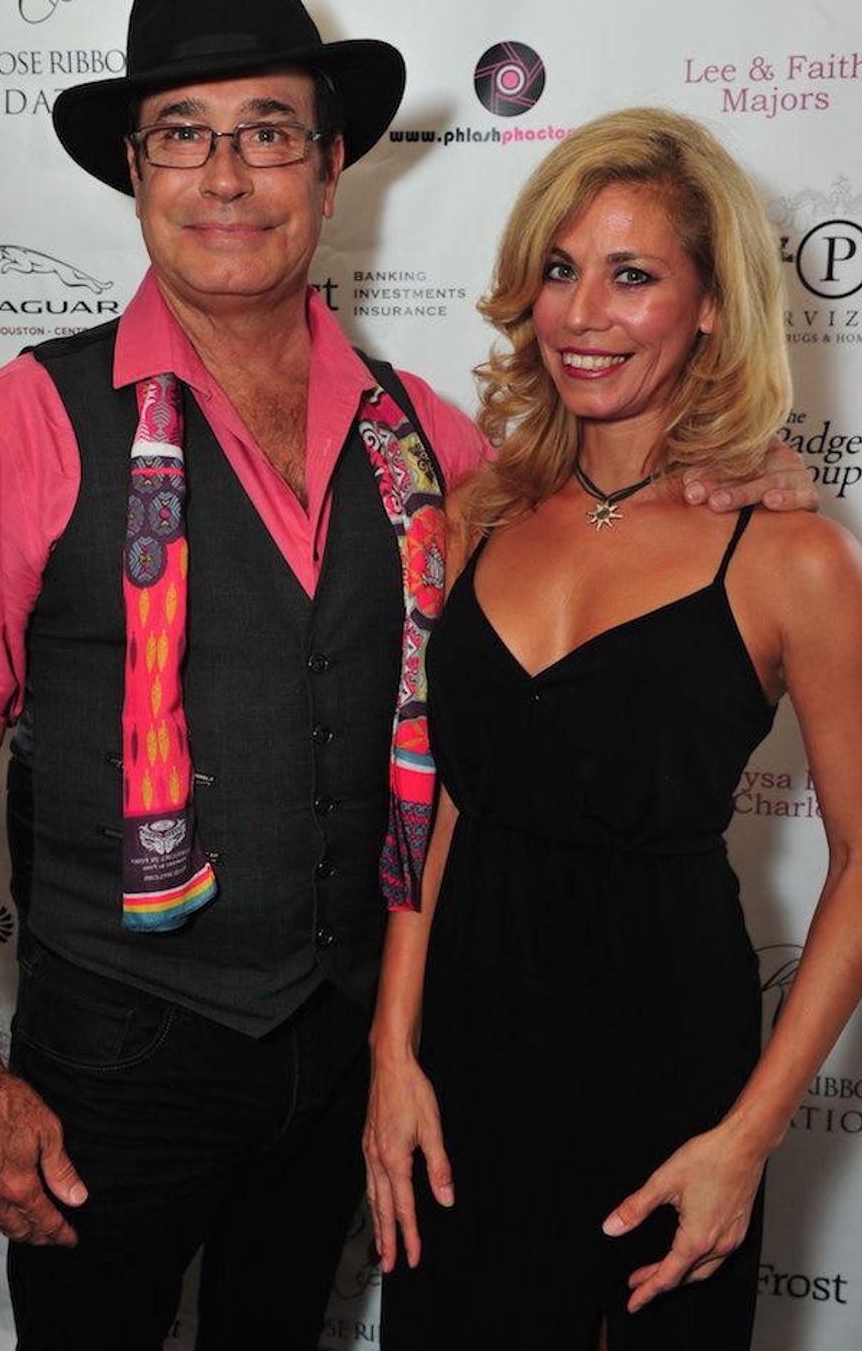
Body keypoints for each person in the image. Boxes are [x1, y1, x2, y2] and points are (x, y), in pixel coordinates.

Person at [0, 0, 812, 1351]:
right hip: (114, 1066)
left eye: (268, 131)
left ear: (329, 170)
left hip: (353, 1058)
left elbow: (601, 511)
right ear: (134, 171)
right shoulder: (15, 427)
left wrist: (745, 473)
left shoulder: (431, 442)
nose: (227, 175)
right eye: (181, 135)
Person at [363, 108, 862, 1350]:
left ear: (708, 304)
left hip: (662, 1075)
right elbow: (444, 802)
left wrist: (745, 1139)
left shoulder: (786, 552)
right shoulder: (479, 512)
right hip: (462, 1065)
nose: (581, 313)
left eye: (631, 275)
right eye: (559, 267)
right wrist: (391, 1049)